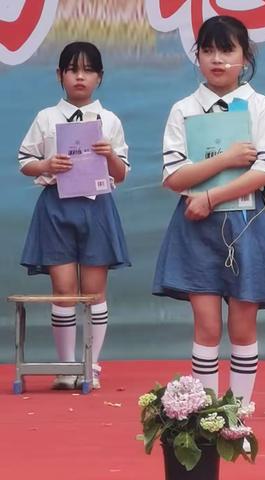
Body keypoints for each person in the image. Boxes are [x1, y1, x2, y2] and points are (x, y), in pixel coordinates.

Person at [153, 15, 265, 410]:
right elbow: (175, 176)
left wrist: (211, 197)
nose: (217, 59)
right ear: (197, 57)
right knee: (207, 326)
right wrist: (226, 159)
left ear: (245, 57)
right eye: (208, 50)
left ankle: (240, 414)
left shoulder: (262, 106)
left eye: (227, 50)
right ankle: (207, 417)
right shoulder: (184, 108)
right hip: (195, 225)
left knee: (243, 326)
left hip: (246, 222)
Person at [18, 42, 131, 390]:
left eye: (87, 70)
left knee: (94, 292)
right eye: (71, 69)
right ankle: (66, 366)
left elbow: (122, 173)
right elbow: (25, 162)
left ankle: (90, 365)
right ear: (60, 75)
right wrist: (47, 164)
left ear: (99, 76)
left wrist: (109, 155)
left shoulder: (109, 120)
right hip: (56, 206)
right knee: (64, 291)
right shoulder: (45, 118)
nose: (79, 76)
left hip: (96, 206)